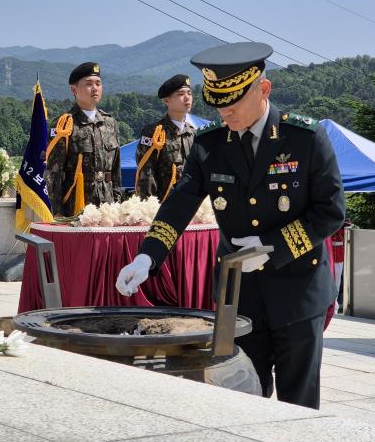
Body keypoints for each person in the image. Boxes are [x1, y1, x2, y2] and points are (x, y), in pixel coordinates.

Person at [115, 42, 345, 410]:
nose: (225, 113)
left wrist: (272, 247)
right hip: (239, 298)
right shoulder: (210, 145)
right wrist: (147, 257)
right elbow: (179, 205)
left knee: (297, 406)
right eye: (219, 104)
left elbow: (330, 212)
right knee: (241, 401)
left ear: (264, 90)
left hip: (298, 292)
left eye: (233, 103)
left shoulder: (304, 139)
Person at [44, 62, 121, 216]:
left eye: (98, 83)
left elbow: (115, 169)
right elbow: (54, 172)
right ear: (74, 89)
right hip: (76, 204)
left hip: (108, 204)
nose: (95, 88)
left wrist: (117, 202)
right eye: (88, 84)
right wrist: (57, 212)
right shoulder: (64, 124)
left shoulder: (110, 123)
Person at [135, 74, 196, 201]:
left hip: (192, 203)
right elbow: (147, 173)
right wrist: (149, 206)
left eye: (189, 93)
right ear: (167, 100)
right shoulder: (154, 132)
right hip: (164, 204)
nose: (187, 98)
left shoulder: (193, 132)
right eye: (180, 94)